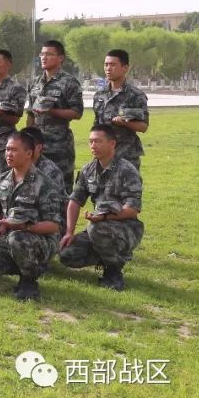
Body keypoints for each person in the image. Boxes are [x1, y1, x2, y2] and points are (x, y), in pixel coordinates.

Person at [0, 131, 64, 302]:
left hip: (40, 240)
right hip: (11, 237)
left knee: (17, 238)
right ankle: (23, 265)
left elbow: (54, 226)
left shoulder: (45, 184)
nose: (8, 154)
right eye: (6, 149)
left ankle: (29, 281)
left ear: (28, 154)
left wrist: (24, 227)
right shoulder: (2, 179)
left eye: (13, 150)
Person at [59, 124, 144, 291]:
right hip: (99, 226)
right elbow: (75, 200)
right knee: (67, 255)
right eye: (90, 142)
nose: (93, 146)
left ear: (112, 144)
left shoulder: (127, 171)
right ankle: (106, 257)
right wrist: (69, 232)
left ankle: (114, 272)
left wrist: (105, 217)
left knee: (96, 229)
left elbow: (132, 209)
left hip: (127, 227)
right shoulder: (87, 170)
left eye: (98, 141)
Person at [27, 40, 83, 193]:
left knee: (61, 189)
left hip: (59, 146)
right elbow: (31, 113)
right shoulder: (35, 83)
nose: (44, 57)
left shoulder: (69, 82)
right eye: (42, 54)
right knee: (36, 187)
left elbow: (77, 112)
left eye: (49, 54)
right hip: (37, 145)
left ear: (61, 58)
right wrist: (27, 137)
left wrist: (51, 112)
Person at [93, 49, 149, 170]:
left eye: (113, 65)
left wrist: (124, 122)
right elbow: (97, 123)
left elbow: (143, 126)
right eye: (106, 64)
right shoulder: (99, 95)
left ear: (125, 68)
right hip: (103, 155)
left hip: (126, 156)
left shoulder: (135, 95)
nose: (108, 68)